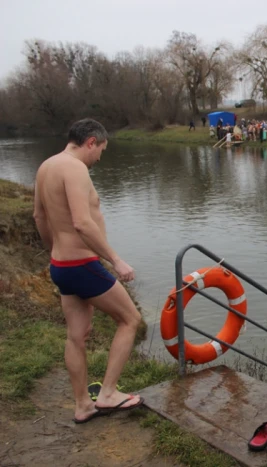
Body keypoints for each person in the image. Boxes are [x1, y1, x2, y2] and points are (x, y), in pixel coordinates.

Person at [33, 118, 144, 424]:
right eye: (101, 151)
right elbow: (82, 222)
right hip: (82, 264)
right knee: (130, 319)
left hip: (61, 264)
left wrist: (55, 251)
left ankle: (83, 405)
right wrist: (115, 260)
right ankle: (108, 394)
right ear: (91, 142)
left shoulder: (46, 167)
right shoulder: (75, 168)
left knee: (76, 336)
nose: (99, 158)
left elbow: (39, 217)